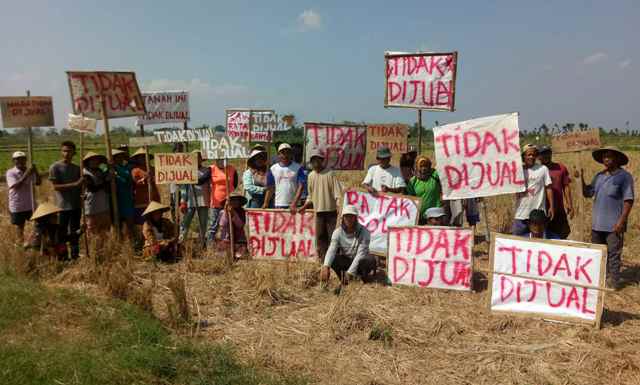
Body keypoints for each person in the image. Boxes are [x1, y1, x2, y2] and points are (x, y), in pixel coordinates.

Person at [581, 147, 634, 289]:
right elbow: (588, 193)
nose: (606, 159)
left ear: (617, 159)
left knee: (613, 255)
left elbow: (628, 200)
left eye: (610, 156)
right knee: (598, 254)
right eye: (604, 156)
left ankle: (613, 283)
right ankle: (600, 281)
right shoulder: (599, 176)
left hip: (614, 225)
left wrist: (621, 222)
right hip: (597, 225)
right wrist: (580, 178)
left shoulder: (624, 177)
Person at [299, 150, 342, 262]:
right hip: (318, 213)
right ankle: (323, 260)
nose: (315, 162)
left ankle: (335, 260)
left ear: (322, 161)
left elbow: (338, 194)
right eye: (313, 160)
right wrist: (304, 207)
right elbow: (310, 196)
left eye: (318, 160)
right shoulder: (311, 176)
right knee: (320, 237)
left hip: (331, 212)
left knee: (333, 238)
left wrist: (339, 209)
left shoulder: (330, 174)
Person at [320, 205, 377, 284]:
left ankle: (363, 278)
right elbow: (332, 250)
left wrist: (350, 272)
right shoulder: (337, 232)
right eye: (346, 216)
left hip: (360, 262)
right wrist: (326, 266)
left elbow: (361, 254)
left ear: (355, 218)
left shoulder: (364, 232)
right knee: (333, 259)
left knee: (368, 260)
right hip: (347, 260)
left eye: (351, 216)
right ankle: (343, 278)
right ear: (343, 218)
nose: (349, 219)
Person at [49, 141, 82, 259]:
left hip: (76, 205)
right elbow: (56, 187)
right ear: (61, 152)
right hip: (62, 206)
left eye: (69, 151)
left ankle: (75, 255)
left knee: (75, 232)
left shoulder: (77, 168)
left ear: (74, 152)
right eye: (64, 151)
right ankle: (63, 256)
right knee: (61, 233)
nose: (66, 153)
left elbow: (81, 186)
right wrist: (75, 184)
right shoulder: (55, 167)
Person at [511, 144, 554, 236]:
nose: (531, 157)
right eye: (529, 154)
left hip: (538, 215)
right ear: (523, 156)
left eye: (534, 155)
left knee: (538, 243)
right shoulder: (518, 171)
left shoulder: (543, 169)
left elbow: (549, 188)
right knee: (517, 241)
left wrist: (551, 206)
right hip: (521, 214)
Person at [537, 145, 573, 239]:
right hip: (541, 210)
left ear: (551, 154)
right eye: (542, 154)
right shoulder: (536, 170)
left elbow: (566, 186)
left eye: (547, 153)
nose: (546, 156)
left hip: (558, 209)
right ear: (538, 156)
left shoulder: (561, 168)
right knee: (542, 237)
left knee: (561, 236)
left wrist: (569, 204)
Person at [6, 151, 41, 244]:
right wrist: (27, 173)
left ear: (26, 160)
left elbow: (38, 182)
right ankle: (20, 244)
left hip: (31, 204)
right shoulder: (10, 172)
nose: (20, 161)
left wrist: (35, 171)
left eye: (22, 159)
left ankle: (34, 243)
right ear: (13, 161)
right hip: (18, 205)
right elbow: (16, 186)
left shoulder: (30, 170)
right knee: (20, 226)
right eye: (17, 159)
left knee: (38, 224)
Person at [178, 150, 210, 246]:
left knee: (203, 223)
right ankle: (181, 241)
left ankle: (201, 244)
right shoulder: (188, 171)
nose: (197, 159)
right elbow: (184, 187)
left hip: (204, 201)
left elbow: (210, 186)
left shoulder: (207, 171)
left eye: (198, 157)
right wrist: (183, 201)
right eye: (194, 157)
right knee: (185, 222)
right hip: (190, 201)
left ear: (201, 159)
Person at [203, 157, 238, 242]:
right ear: (216, 160)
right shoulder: (211, 169)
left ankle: (227, 247)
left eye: (223, 159)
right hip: (215, 204)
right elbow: (201, 180)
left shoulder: (232, 169)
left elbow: (235, 184)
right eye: (219, 159)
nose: (221, 161)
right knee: (212, 227)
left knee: (228, 226)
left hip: (229, 204)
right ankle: (210, 249)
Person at [265, 143, 305, 210]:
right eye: (282, 153)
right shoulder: (273, 169)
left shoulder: (298, 168)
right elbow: (270, 188)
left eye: (288, 153)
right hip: (279, 204)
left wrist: (294, 203)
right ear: (278, 155)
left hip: (295, 205)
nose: (285, 155)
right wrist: (266, 203)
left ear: (291, 154)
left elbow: (301, 187)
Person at [406, 155, 441, 224]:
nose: (424, 168)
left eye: (426, 166)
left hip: (434, 216)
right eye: (421, 166)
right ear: (416, 167)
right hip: (419, 216)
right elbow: (410, 199)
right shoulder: (413, 181)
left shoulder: (435, 175)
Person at [82, 152, 111, 235]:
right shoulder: (85, 173)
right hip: (92, 207)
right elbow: (93, 188)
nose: (95, 162)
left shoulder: (99, 171)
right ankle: (94, 246)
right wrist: (106, 180)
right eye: (92, 160)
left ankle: (104, 246)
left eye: (97, 160)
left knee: (104, 229)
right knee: (92, 229)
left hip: (103, 205)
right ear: (88, 162)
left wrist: (109, 169)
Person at [130, 148, 160, 225]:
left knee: (155, 220)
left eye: (144, 157)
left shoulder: (152, 168)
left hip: (154, 197)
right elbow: (136, 182)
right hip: (141, 200)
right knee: (143, 222)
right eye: (141, 157)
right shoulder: (135, 170)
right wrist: (146, 178)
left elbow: (159, 178)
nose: (143, 159)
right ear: (137, 159)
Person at [112, 149, 137, 240]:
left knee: (129, 224)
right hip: (115, 200)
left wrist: (117, 171)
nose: (120, 158)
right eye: (117, 157)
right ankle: (120, 243)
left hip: (127, 199)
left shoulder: (126, 168)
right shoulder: (108, 170)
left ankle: (131, 243)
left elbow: (128, 179)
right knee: (117, 225)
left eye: (121, 157)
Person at [218, 191, 248, 258]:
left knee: (240, 255)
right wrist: (226, 212)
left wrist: (233, 214)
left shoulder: (242, 212)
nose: (235, 202)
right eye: (232, 200)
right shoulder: (222, 212)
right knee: (223, 255)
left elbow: (240, 225)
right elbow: (222, 224)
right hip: (226, 240)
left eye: (236, 200)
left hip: (239, 240)